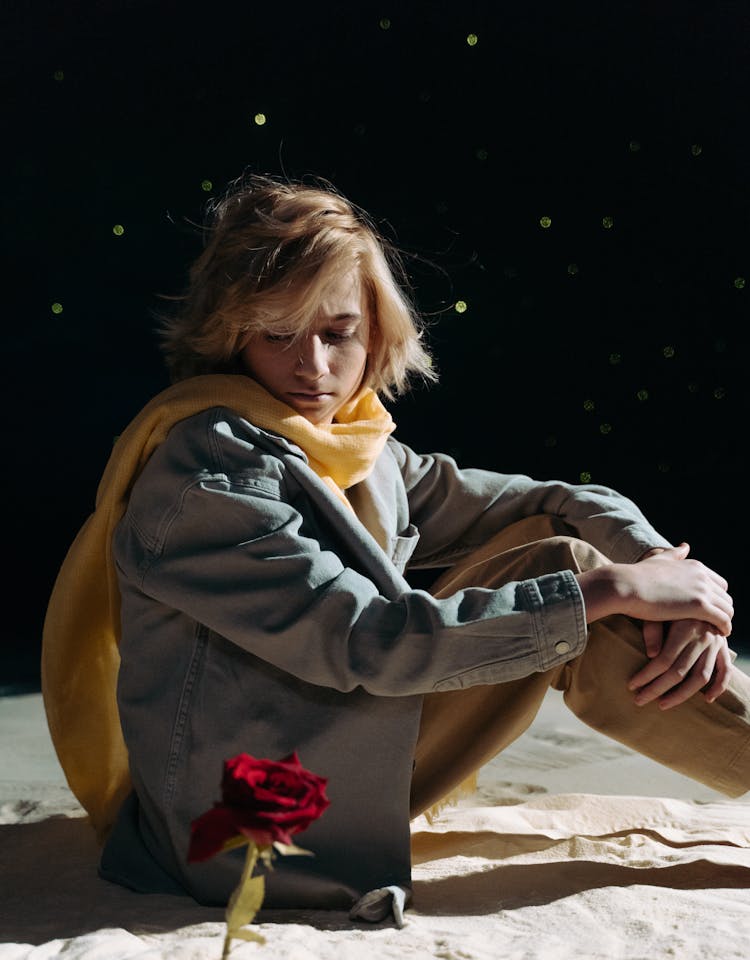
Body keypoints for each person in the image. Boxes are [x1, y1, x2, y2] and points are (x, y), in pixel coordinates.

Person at [41, 173, 750, 921]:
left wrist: (663, 572)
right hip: (250, 816)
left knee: (561, 549)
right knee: (572, 579)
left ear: (375, 332)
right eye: (278, 333)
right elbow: (368, 641)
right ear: (231, 333)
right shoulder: (209, 474)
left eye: (336, 332)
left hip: (342, 745)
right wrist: (616, 590)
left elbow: (552, 499)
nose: (312, 366)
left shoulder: (352, 446)